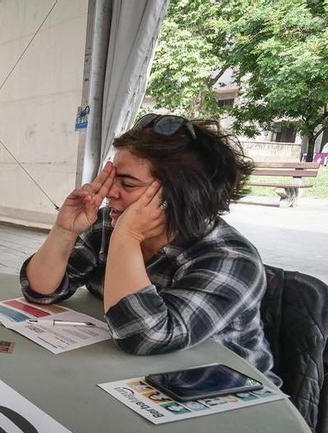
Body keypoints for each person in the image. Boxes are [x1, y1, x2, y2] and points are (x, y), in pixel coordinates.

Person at [20, 114, 277, 383]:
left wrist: (127, 237)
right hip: (129, 375)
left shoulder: (230, 259)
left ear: (181, 193)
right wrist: (65, 230)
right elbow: (40, 290)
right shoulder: (106, 225)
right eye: (111, 179)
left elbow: (143, 337)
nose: (110, 193)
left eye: (128, 184)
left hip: (224, 393)